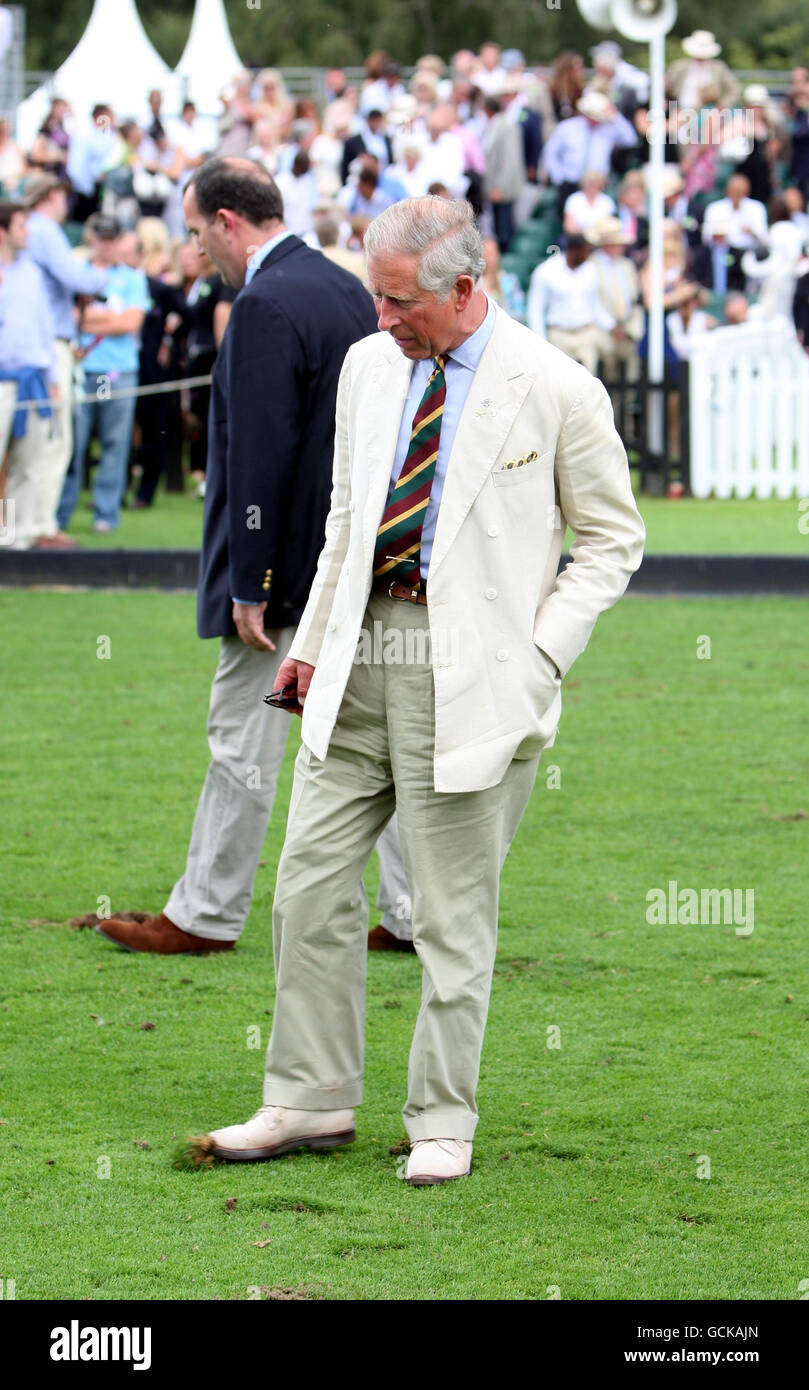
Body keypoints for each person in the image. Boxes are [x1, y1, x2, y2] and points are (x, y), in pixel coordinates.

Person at [202, 195, 645, 1184]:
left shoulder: (556, 387)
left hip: (475, 675)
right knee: (307, 885)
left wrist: (538, 658)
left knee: (449, 914)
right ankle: (306, 1100)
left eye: (398, 301)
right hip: (354, 658)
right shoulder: (369, 366)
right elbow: (349, 520)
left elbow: (612, 540)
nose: (381, 317)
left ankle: (442, 1119)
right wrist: (311, 641)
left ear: (462, 288)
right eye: (376, 295)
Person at [95, 157, 412, 956]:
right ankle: (412, 916)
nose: (197, 248)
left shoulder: (266, 302)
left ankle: (205, 912)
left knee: (242, 742)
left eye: (198, 232)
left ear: (228, 222)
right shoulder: (344, 287)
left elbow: (260, 455)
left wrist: (252, 584)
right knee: (374, 750)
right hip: (355, 564)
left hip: (289, 584)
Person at [24, 173, 110, 547]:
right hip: (47, 347)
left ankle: (16, 530)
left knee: (23, 445)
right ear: (51, 197)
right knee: (51, 439)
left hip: (33, 348)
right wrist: (100, 276)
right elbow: (79, 277)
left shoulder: (30, 233)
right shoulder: (43, 230)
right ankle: (38, 527)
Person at [57, 214, 150, 534]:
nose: (106, 245)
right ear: (92, 238)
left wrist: (89, 318)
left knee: (115, 444)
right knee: (71, 444)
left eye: (112, 239)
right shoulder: (76, 274)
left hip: (117, 371)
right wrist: (108, 318)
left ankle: (106, 513)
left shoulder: (132, 277)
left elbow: (131, 323)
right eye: (102, 238)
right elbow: (66, 318)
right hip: (82, 369)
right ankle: (60, 514)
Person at [0, 200, 59, 551]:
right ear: (4, 231)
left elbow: (44, 327)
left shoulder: (33, 273)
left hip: (32, 378)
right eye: (21, 226)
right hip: (1, 379)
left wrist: (50, 376)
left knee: (27, 463)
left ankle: (15, 539)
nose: (27, 234)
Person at [527, 235, 615, 374]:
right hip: (559, 336)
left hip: (586, 333)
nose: (588, 255)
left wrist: (610, 325)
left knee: (588, 380)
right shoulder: (546, 271)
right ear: (574, 251)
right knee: (560, 380)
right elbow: (535, 309)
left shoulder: (591, 270)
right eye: (586, 251)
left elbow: (595, 304)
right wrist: (541, 340)